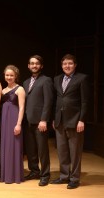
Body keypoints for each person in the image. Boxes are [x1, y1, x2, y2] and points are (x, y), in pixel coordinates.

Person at [50, 54, 89, 189]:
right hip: (60, 120)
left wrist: (81, 120)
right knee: (62, 151)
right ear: (61, 66)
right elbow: (57, 100)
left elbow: (84, 102)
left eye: (70, 63)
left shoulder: (82, 78)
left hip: (75, 120)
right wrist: (54, 118)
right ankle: (64, 176)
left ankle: (74, 178)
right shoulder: (57, 79)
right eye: (65, 64)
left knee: (75, 152)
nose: (67, 66)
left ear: (75, 65)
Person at [23, 55, 54, 186]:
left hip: (40, 122)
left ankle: (45, 174)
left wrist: (44, 120)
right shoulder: (25, 82)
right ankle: (34, 171)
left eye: (37, 63)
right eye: (32, 63)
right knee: (30, 149)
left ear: (41, 66)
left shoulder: (46, 80)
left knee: (42, 150)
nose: (34, 65)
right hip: (27, 121)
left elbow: (48, 101)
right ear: (28, 66)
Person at [0, 65, 25, 184]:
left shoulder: (20, 89)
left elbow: (21, 108)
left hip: (14, 120)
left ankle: (14, 175)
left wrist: (18, 124)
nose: (9, 77)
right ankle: (6, 175)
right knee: (6, 146)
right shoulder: (3, 90)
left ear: (16, 76)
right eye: (7, 75)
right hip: (4, 120)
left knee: (14, 146)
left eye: (11, 75)